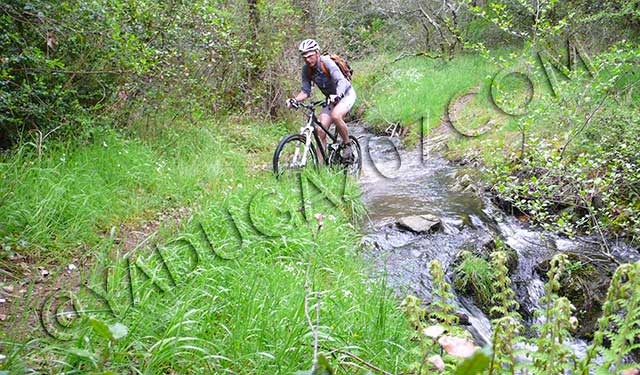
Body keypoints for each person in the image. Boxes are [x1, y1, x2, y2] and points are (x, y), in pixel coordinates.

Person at [286, 39, 356, 161]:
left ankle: (347, 145)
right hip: (330, 99)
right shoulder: (306, 69)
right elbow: (305, 92)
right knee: (320, 131)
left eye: (310, 56)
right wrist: (295, 100)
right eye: (304, 57)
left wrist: (338, 95)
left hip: (346, 94)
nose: (308, 60)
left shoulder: (327, 63)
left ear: (317, 53)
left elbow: (341, 81)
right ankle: (322, 168)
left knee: (336, 116)